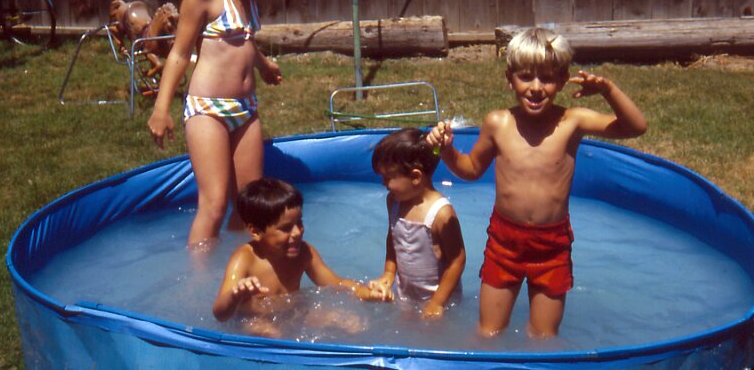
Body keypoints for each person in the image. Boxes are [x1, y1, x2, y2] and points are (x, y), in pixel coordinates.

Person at [427, 27, 647, 338]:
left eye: (547, 78)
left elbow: (636, 127)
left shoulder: (573, 121)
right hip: (505, 242)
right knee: (488, 332)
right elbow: (471, 169)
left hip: (551, 246)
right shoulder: (498, 123)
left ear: (562, 79)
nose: (536, 88)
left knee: (543, 337)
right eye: (526, 77)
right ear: (510, 78)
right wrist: (446, 150)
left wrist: (607, 89)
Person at [147, 0, 289, 247]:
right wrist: (161, 108)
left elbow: (243, 40)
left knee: (250, 206)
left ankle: (237, 266)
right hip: (207, 109)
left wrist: (263, 65)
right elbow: (180, 53)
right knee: (214, 205)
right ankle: (198, 275)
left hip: (246, 109)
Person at [213, 177, 381, 333]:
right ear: (256, 231)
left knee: (347, 321)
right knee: (270, 333)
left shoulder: (304, 252)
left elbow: (336, 284)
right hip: (253, 318)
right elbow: (220, 314)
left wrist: (365, 292)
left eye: (299, 222)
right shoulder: (245, 259)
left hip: (292, 311)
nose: (297, 232)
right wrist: (236, 295)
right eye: (286, 228)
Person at [368, 128, 466, 319]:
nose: (383, 184)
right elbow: (393, 237)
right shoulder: (394, 202)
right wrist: (388, 273)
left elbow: (457, 261)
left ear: (415, 177)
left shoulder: (441, 213)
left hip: (442, 303)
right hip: (407, 296)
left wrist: (437, 303)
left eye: (387, 178)